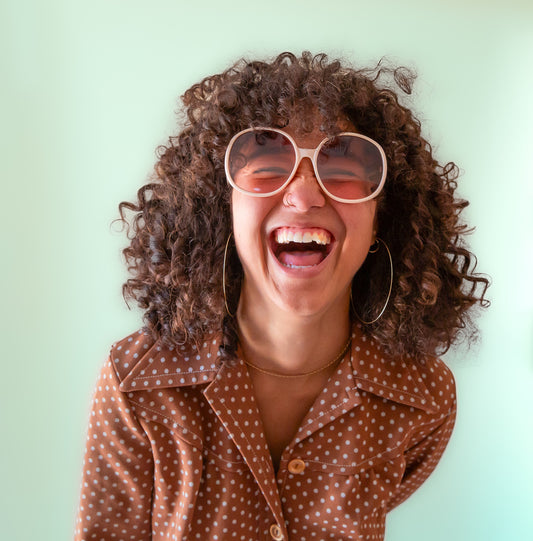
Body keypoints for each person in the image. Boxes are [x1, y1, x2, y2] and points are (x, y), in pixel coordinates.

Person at [75, 52, 489, 540]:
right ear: (223, 208)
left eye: (343, 165)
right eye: (268, 164)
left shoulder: (423, 399)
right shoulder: (137, 383)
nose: (305, 194)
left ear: (382, 219)